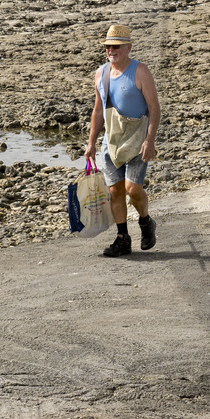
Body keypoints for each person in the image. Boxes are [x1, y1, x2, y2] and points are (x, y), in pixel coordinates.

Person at [86, 23, 160, 258]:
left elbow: (154, 109)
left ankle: (146, 222)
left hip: (137, 139)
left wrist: (150, 139)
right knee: (115, 191)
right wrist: (91, 143)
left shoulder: (140, 71)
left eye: (116, 46)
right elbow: (98, 111)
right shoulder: (101, 74)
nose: (111, 50)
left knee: (133, 189)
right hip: (112, 141)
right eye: (108, 47)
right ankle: (122, 238)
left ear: (128, 47)